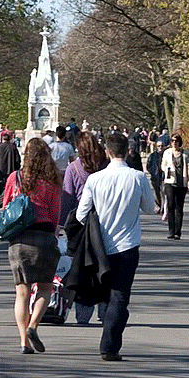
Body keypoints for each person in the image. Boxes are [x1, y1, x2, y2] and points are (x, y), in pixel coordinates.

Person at [75, 132, 154, 361]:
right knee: (120, 295)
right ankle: (110, 345)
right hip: (127, 245)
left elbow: (81, 215)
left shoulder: (95, 179)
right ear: (128, 151)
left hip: (101, 244)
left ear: (107, 152)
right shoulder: (138, 177)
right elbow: (149, 208)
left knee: (107, 293)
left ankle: (108, 336)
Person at [1, 137, 61, 354]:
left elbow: (6, 206)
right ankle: (34, 325)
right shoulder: (52, 181)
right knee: (45, 288)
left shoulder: (15, 178)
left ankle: (23, 341)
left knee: (21, 293)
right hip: (44, 236)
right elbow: (55, 214)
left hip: (19, 238)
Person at [61, 130, 108, 325]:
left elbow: (67, 198)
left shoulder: (74, 169)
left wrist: (62, 225)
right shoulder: (105, 166)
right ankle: (105, 311)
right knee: (105, 267)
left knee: (83, 269)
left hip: (82, 223)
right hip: (105, 221)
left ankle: (83, 315)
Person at [161, 132, 189, 240]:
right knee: (170, 205)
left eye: (176, 141)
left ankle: (177, 232)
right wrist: (167, 170)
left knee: (179, 207)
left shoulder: (185, 154)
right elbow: (163, 165)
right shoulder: (167, 153)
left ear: (180, 142)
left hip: (181, 182)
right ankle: (171, 230)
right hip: (170, 181)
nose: (174, 143)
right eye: (172, 141)